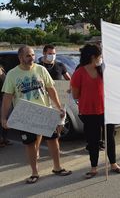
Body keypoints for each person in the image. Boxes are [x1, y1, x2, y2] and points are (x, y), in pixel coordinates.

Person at [1, 46, 72, 184]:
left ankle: (57, 167)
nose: (31, 58)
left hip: (44, 112)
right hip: (25, 114)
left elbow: (51, 90)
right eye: (28, 55)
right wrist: (3, 117)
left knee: (53, 140)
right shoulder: (12, 74)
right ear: (20, 58)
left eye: (33, 55)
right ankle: (34, 172)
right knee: (30, 144)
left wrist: (58, 107)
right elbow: (7, 98)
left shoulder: (41, 69)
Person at [70, 44, 120, 179]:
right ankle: (93, 167)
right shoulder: (79, 73)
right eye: (100, 56)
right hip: (88, 112)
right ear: (93, 57)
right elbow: (75, 95)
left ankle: (113, 163)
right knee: (93, 141)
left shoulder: (103, 70)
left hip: (106, 110)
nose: (101, 59)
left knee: (110, 138)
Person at [36, 44, 71, 157]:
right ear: (44, 53)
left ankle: (56, 141)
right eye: (50, 53)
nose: (52, 55)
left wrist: (70, 87)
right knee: (42, 125)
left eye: (54, 53)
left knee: (60, 122)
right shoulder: (38, 66)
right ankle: (36, 149)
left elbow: (68, 79)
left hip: (60, 99)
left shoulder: (60, 65)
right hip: (44, 99)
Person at [0, 65, 9, 147]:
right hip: (1, 97)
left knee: (6, 119)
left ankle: (4, 139)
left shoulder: (2, 68)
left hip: (5, 97)